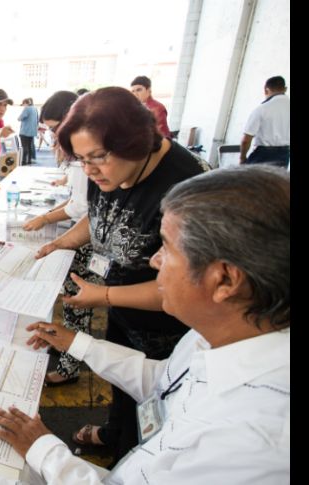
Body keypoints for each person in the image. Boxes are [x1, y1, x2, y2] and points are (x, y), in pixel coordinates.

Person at [0, 165, 290, 484]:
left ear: (225, 280)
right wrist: (75, 343)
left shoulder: (252, 442)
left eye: (168, 248)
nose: (154, 260)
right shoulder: (222, 334)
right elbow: (165, 382)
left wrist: (43, 450)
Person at [29, 87, 206, 463]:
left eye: (98, 158)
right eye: (81, 160)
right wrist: (60, 244)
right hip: (122, 309)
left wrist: (104, 296)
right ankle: (114, 432)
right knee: (121, 386)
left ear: (135, 142)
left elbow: (187, 286)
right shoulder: (112, 171)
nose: (89, 171)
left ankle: (127, 454)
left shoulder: (188, 189)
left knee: (156, 413)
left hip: (167, 328)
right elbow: (98, 217)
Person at [22, 90, 95, 386]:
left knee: (77, 303)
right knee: (71, 302)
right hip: (84, 232)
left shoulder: (82, 155)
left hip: (88, 239)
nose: (53, 135)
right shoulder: (79, 152)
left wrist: (45, 219)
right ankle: (64, 345)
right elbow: (80, 200)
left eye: (55, 128)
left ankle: (68, 368)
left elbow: (81, 206)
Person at [240, 75, 290, 167]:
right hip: (284, 155)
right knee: (276, 177)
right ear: (285, 89)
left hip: (263, 155)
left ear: (266, 90)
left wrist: (242, 158)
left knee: (250, 176)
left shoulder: (262, 109)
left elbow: (246, 140)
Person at [18, 98, 39, 165]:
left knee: (25, 147)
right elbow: (37, 120)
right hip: (32, 131)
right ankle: (29, 161)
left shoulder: (27, 109)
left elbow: (20, 118)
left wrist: (19, 117)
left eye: (23, 104)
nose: (23, 106)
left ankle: (24, 161)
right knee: (30, 146)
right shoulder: (35, 109)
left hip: (25, 131)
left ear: (25, 103)